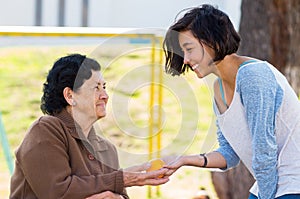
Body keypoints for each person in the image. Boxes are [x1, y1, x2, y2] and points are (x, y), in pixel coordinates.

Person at [162, 4, 300, 199]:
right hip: (268, 187)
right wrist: (183, 160)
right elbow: (229, 154)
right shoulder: (218, 90)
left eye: (189, 49)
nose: (185, 59)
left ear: (212, 41)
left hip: (292, 185)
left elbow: (264, 150)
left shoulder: (253, 75)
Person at [10, 54, 169, 199]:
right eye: (96, 87)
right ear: (70, 96)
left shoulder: (107, 149)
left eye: (104, 87)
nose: (105, 96)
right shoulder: (45, 130)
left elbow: (119, 195)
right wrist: (123, 179)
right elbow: (57, 192)